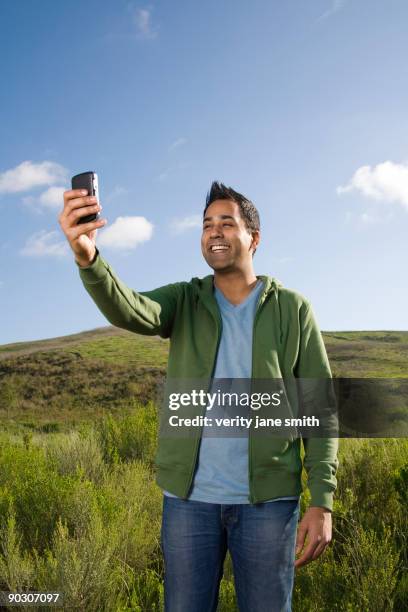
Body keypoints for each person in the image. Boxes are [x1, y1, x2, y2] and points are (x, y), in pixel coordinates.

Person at [59, 181, 339, 612]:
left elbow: (317, 405)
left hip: (268, 504)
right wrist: (88, 257)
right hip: (188, 503)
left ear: (254, 238)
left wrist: (321, 500)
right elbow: (131, 309)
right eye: (207, 224)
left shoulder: (292, 309)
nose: (214, 232)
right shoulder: (184, 299)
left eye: (227, 223)